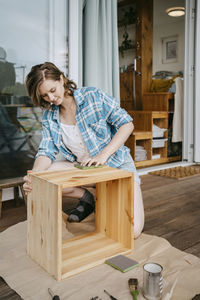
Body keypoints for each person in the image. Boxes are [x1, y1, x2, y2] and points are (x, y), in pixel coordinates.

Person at [23, 62, 144, 238]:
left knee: (132, 232)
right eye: (45, 95)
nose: (51, 98)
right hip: (85, 169)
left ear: (61, 80)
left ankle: (105, 195)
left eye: (53, 90)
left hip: (117, 167)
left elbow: (127, 124)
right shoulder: (50, 116)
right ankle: (87, 198)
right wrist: (34, 176)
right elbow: (46, 151)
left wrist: (103, 155)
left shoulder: (93, 96)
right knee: (41, 176)